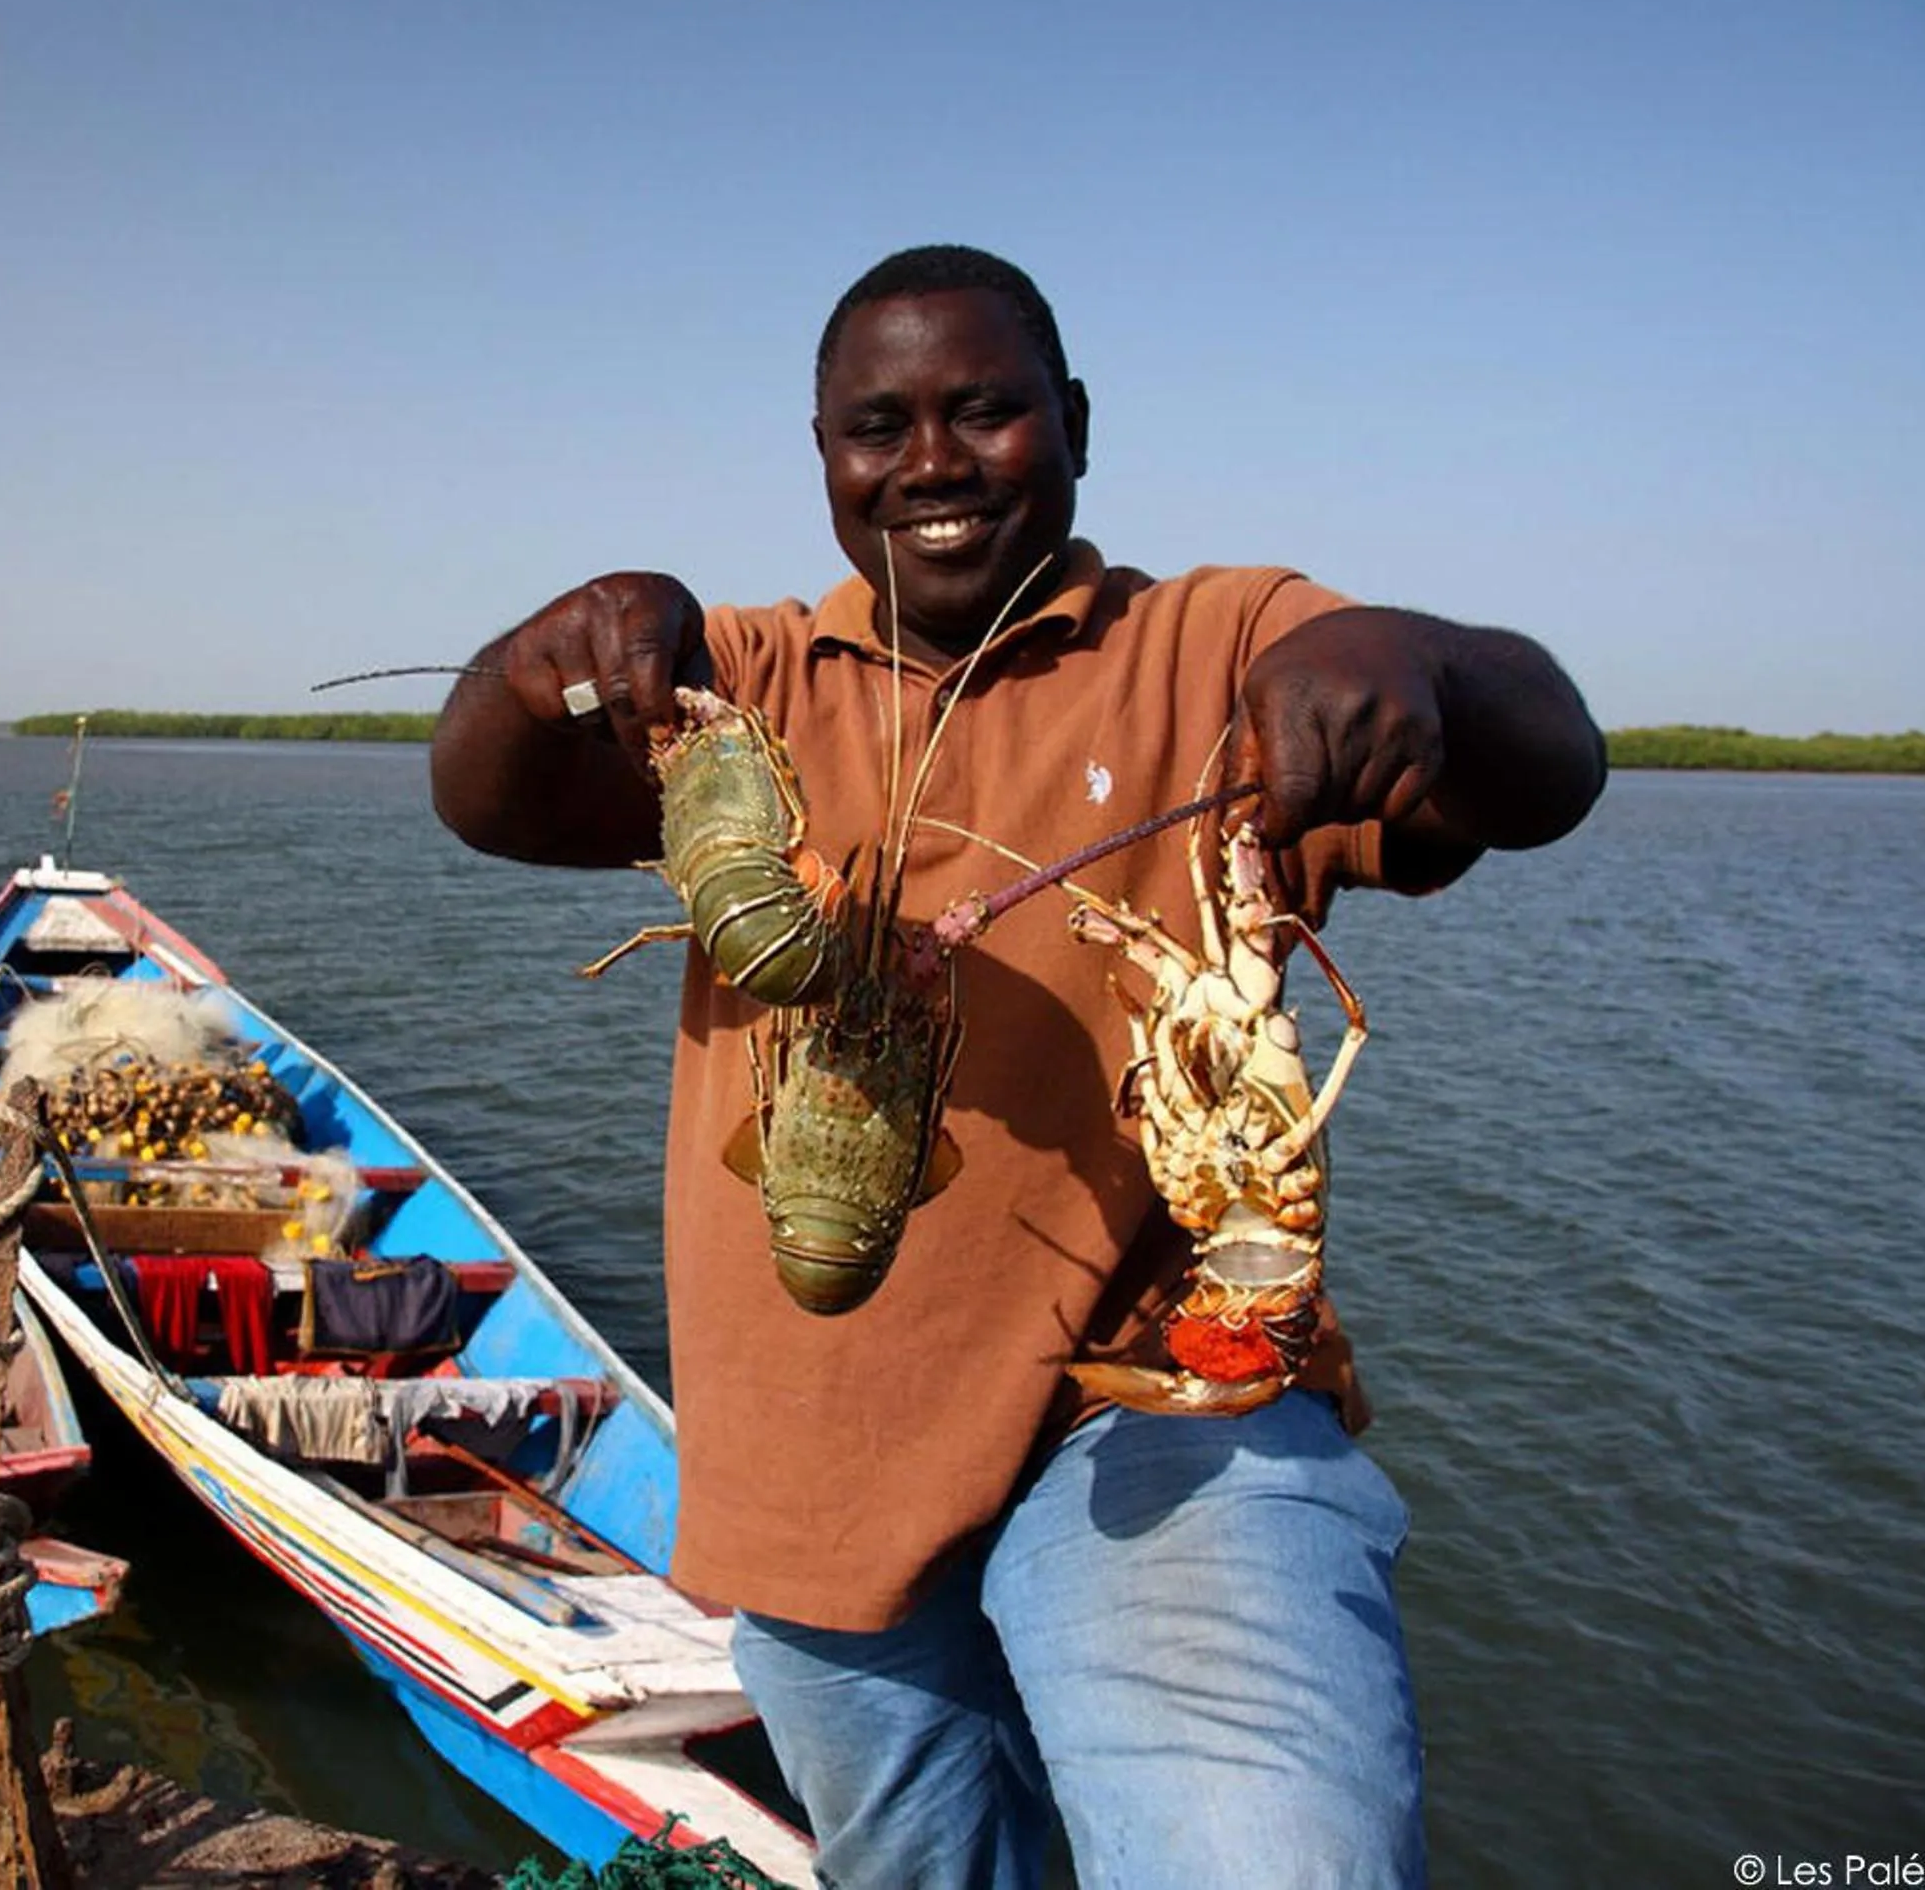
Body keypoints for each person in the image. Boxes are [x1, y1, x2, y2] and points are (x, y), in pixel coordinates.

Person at [429, 245, 1604, 1890]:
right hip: (814, 1458)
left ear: (1076, 425)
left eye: (986, 411)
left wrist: (1423, 666)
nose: (930, 462)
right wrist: (553, 651)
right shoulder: (739, 688)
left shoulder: (1221, 642)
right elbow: (481, 799)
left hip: (1162, 1409)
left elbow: (1551, 759)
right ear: (823, 454)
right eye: (876, 427)